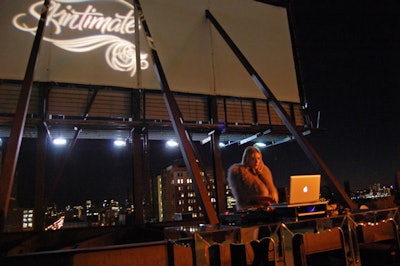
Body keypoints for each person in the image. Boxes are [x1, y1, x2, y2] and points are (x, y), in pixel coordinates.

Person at [227, 146, 279, 211]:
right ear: (247, 159)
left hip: (267, 210)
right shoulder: (238, 172)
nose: (257, 161)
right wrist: (263, 200)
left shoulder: (265, 172)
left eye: (258, 158)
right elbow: (242, 196)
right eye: (253, 159)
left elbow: (272, 191)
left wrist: (271, 202)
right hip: (249, 211)